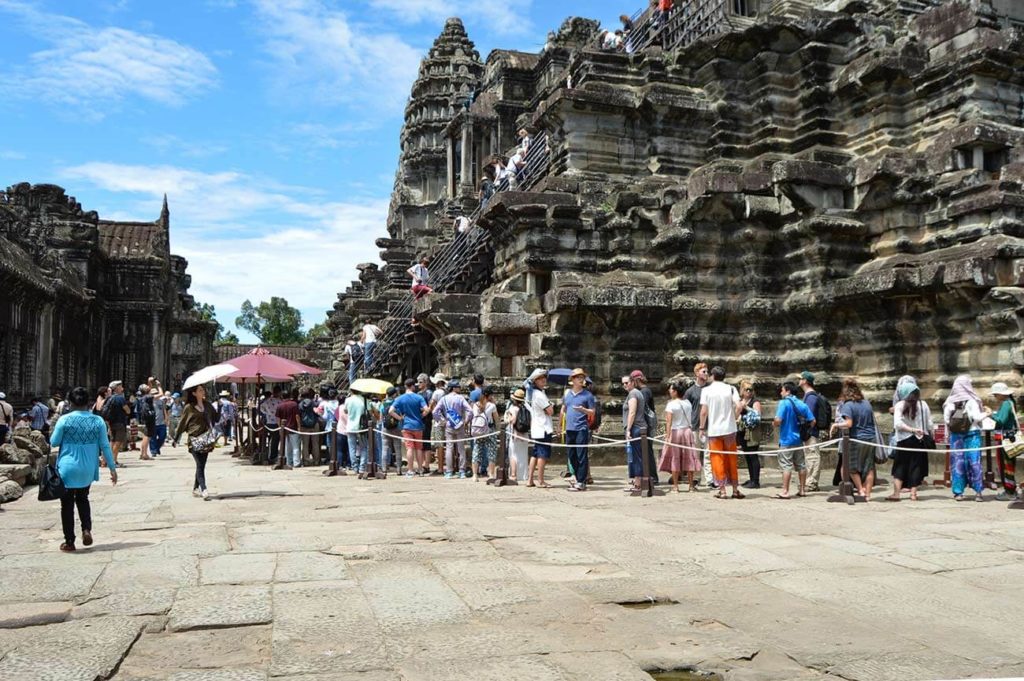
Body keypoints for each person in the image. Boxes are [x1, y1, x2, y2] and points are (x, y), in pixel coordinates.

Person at [49, 386, 117, 552]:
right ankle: (86, 529)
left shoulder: (64, 420)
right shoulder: (97, 421)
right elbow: (105, 446)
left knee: (67, 504)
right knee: (83, 498)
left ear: (70, 402)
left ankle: (69, 541)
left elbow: (54, 442)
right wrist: (112, 468)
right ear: (89, 402)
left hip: (67, 466)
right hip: (87, 467)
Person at [830, 377, 879, 501]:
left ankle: (861, 490)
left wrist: (836, 425)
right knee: (869, 468)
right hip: (870, 438)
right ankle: (867, 494)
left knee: (850, 467)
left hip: (857, 439)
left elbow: (849, 423)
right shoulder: (867, 403)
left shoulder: (848, 405)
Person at [699, 366, 743, 499]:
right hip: (729, 429)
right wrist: (734, 417)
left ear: (713, 376)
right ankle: (735, 489)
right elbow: (739, 405)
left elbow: (704, 411)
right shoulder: (731, 388)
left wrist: (701, 427)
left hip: (715, 430)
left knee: (717, 459)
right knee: (732, 459)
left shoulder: (706, 390)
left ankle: (722, 490)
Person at [942, 375, 989, 501]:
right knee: (975, 462)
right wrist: (988, 413)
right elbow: (977, 418)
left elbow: (947, 420)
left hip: (956, 437)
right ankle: (978, 492)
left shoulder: (949, 402)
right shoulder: (972, 401)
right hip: (972, 435)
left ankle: (958, 492)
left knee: (957, 463)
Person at [887, 380, 934, 502]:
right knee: (916, 466)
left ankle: (896, 493)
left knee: (899, 467)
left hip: (904, 439)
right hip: (919, 439)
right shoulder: (923, 405)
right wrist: (931, 436)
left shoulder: (900, 405)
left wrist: (911, 430)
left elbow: (897, 424)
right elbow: (929, 424)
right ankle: (913, 494)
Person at [773, 382, 815, 499]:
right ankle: (802, 489)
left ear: (788, 391)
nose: (781, 393)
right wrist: (806, 431)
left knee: (786, 465)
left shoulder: (784, 403)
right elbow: (812, 421)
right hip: (799, 440)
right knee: (801, 465)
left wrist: (774, 423)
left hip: (786, 439)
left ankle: (785, 491)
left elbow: (779, 420)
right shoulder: (802, 404)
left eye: (782, 390)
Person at [174, 385, 216, 498]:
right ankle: (204, 489)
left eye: (203, 390)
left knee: (201, 465)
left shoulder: (207, 405)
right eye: (200, 390)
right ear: (194, 393)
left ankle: (195, 487)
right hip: (194, 439)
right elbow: (182, 423)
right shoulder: (189, 407)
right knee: (200, 464)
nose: (203, 392)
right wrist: (176, 438)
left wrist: (219, 407)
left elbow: (216, 418)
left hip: (206, 439)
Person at [659, 381, 699, 493]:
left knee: (674, 458)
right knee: (689, 457)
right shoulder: (688, 403)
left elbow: (669, 422)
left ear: (676, 392)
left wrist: (667, 436)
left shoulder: (671, 404)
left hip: (676, 431)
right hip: (687, 431)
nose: (670, 391)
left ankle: (675, 486)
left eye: (671, 389)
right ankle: (691, 485)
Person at [561, 368, 596, 491]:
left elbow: (593, 412)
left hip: (581, 428)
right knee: (572, 455)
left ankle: (582, 481)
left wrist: (584, 410)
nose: (581, 380)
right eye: (578, 377)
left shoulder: (588, 395)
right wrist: (560, 425)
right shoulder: (567, 394)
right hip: (570, 428)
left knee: (581, 454)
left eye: (582, 377)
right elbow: (564, 408)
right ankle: (576, 476)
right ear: (573, 380)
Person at [390, 378, 431, 476]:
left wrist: (400, 418)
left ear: (405, 386)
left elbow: (390, 411)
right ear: (412, 386)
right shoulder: (419, 397)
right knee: (419, 448)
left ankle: (410, 470)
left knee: (409, 448)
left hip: (406, 425)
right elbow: (427, 409)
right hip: (418, 425)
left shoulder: (400, 398)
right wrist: (421, 416)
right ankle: (420, 470)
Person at [433, 379, 471, 479]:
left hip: (449, 425)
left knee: (449, 447)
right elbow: (470, 411)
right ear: (454, 388)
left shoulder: (444, 399)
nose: (459, 388)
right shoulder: (461, 398)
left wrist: (442, 421)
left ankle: (449, 471)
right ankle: (462, 471)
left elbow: (435, 412)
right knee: (461, 448)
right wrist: (466, 421)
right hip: (459, 424)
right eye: (458, 386)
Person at [991, 382, 1021, 501]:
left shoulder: (1006, 404)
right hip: (1009, 439)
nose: (995, 397)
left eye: (995, 394)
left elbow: (1001, 420)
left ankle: (1009, 490)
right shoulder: (1010, 403)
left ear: (1001, 394)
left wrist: (990, 414)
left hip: (1005, 440)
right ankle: (1010, 488)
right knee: (1008, 465)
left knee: (1005, 465)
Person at [683, 363, 710, 487]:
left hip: (710, 425)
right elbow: (685, 408)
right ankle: (696, 477)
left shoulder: (710, 389)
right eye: (703, 371)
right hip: (695, 425)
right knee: (695, 453)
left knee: (709, 453)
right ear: (697, 373)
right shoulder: (690, 391)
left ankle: (709, 478)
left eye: (707, 371)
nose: (706, 374)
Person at [527, 369, 554, 488]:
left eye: (544, 377)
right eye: (540, 378)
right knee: (542, 455)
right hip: (543, 428)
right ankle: (541, 480)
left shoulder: (535, 393)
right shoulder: (539, 395)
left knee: (535, 454)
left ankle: (530, 479)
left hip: (537, 427)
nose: (543, 380)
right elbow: (550, 411)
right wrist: (551, 406)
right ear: (535, 381)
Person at [621, 373, 647, 491]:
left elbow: (632, 412)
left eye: (626, 383)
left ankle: (638, 483)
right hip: (637, 427)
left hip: (635, 428)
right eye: (623, 384)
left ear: (632, 382)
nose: (624, 385)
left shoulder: (633, 394)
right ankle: (637, 481)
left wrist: (628, 429)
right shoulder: (636, 393)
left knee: (636, 456)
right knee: (635, 456)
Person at [736, 381, 762, 488]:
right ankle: (751, 479)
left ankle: (755, 481)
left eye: (750, 390)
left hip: (752, 433)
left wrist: (746, 408)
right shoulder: (740, 401)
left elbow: (758, 415)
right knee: (747, 456)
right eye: (746, 389)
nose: (749, 392)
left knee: (753, 456)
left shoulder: (755, 402)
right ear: (742, 390)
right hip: (742, 432)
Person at [470, 386, 499, 480]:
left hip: (478, 430)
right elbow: (496, 419)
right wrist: (498, 430)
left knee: (477, 451)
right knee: (491, 452)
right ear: (490, 395)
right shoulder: (492, 406)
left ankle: (475, 475)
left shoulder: (476, 405)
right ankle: (491, 474)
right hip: (489, 430)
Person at [343, 389, 371, 478]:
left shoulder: (348, 400)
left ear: (351, 391)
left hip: (350, 426)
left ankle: (355, 467)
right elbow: (369, 412)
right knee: (364, 447)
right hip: (361, 427)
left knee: (352, 448)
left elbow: (345, 411)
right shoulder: (365, 400)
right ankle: (362, 467)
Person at [104, 380, 130, 467]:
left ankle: (108, 460)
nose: (122, 387)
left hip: (111, 423)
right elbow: (127, 410)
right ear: (117, 388)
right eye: (120, 386)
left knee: (112, 441)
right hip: (120, 423)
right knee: (118, 443)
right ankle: (113, 461)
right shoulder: (120, 398)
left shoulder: (109, 398)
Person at [505, 388, 529, 481]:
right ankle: (523, 475)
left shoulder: (512, 408)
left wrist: (507, 420)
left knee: (513, 455)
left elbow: (513, 420)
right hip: (525, 435)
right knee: (523, 455)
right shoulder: (526, 408)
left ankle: (514, 474)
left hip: (515, 434)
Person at [275, 388, 301, 469]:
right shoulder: (294, 404)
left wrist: (280, 428)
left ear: (282, 396)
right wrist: (299, 426)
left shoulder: (279, 406)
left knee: (287, 446)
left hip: (284, 428)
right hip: (293, 427)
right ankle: (296, 462)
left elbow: (278, 418)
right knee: (296, 446)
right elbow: (297, 416)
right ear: (290, 396)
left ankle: (289, 461)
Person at [318, 387, 340, 475]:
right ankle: (338, 461)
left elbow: (325, 417)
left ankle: (332, 460)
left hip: (329, 426)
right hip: (339, 426)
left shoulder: (326, 404)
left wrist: (319, 414)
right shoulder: (339, 403)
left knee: (330, 445)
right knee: (338, 445)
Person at [379, 387, 402, 472]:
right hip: (396, 427)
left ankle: (384, 468)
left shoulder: (383, 403)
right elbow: (399, 412)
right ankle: (399, 469)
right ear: (394, 394)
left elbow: (381, 417)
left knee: (384, 448)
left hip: (385, 427)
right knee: (398, 448)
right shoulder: (396, 402)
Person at [260, 386, 283, 466]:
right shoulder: (280, 402)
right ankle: (273, 455)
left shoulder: (267, 400)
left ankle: (267, 454)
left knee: (269, 439)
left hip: (268, 422)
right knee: (275, 440)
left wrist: (267, 413)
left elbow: (261, 408)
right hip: (277, 423)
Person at [297, 388, 320, 466]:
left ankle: (306, 461)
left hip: (304, 425)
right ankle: (316, 460)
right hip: (314, 424)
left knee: (305, 444)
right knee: (315, 443)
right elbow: (318, 413)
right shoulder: (315, 403)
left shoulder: (300, 404)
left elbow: (299, 415)